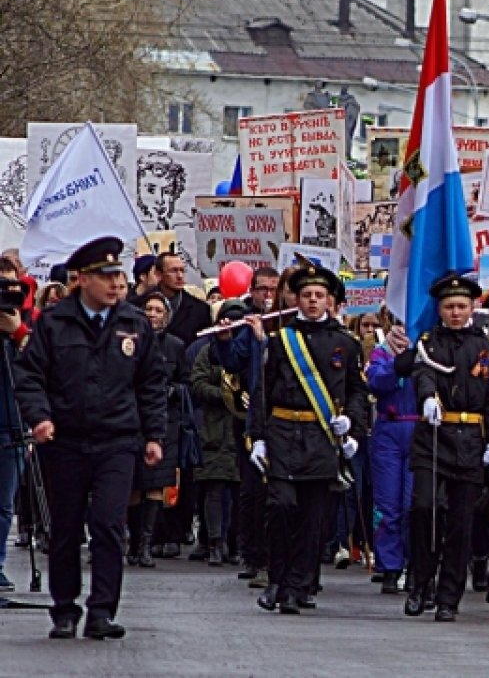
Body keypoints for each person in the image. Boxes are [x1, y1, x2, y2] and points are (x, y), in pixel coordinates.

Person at [16, 237, 167, 640]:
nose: (117, 284)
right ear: (82, 280)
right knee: (65, 529)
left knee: (108, 524)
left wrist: (154, 435)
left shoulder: (133, 324)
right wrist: (40, 417)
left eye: (119, 276)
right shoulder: (53, 323)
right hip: (65, 441)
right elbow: (29, 376)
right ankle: (64, 609)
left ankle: (101, 610)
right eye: (107, 277)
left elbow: (152, 383)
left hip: (117, 441)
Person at [247, 262, 369, 615]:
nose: (313, 301)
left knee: (313, 516)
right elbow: (263, 391)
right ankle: (277, 578)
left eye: (319, 295)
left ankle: (298, 586)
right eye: (306, 295)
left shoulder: (345, 344)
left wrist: (352, 425)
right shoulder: (281, 340)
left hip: (321, 436)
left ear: (330, 300)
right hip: (283, 431)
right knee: (282, 506)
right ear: (296, 299)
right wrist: (258, 437)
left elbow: (358, 391)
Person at [406, 274, 489, 622]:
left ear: (472, 307)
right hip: (434, 437)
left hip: (471, 441)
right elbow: (423, 374)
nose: (456, 312)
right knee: (424, 509)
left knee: (462, 524)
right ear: (440, 310)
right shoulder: (429, 342)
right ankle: (420, 583)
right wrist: (428, 398)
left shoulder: (487, 349)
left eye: (462, 306)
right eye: (449, 307)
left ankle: (449, 596)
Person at [124, 292, 186, 570]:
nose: (152, 314)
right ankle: (134, 543)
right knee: (134, 486)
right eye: (148, 309)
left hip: (164, 423)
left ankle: (146, 546)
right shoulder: (129, 342)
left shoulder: (175, 346)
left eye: (158, 310)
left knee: (155, 486)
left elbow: (187, 381)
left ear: (166, 315)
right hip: (133, 421)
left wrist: (174, 390)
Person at [190, 299, 250, 568]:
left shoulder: (247, 349)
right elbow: (198, 383)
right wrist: (226, 396)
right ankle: (214, 541)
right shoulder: (208, 351)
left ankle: (237, 543)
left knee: (240, 491)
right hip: (214, 428)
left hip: (240, 429)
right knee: (213, 489)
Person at [367, 322, 417, 595]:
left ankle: (414, 563)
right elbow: (374, 382)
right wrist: (396, 365)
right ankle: (390, 565)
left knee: (414, 504)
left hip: (420, 427)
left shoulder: (429, 347)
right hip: (389, 428)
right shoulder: (382, 351)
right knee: (388, 504)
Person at [0, 275, 30, 593]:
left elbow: (45, 369)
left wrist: (19, 332)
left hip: (12, 427)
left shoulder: (24, 336)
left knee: (4, 503)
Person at [136, 252, 210, 345]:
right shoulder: (137, 305)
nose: (180, 276)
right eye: (174, 271)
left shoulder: (200, 310)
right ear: (158, 274)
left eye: (182, 271)